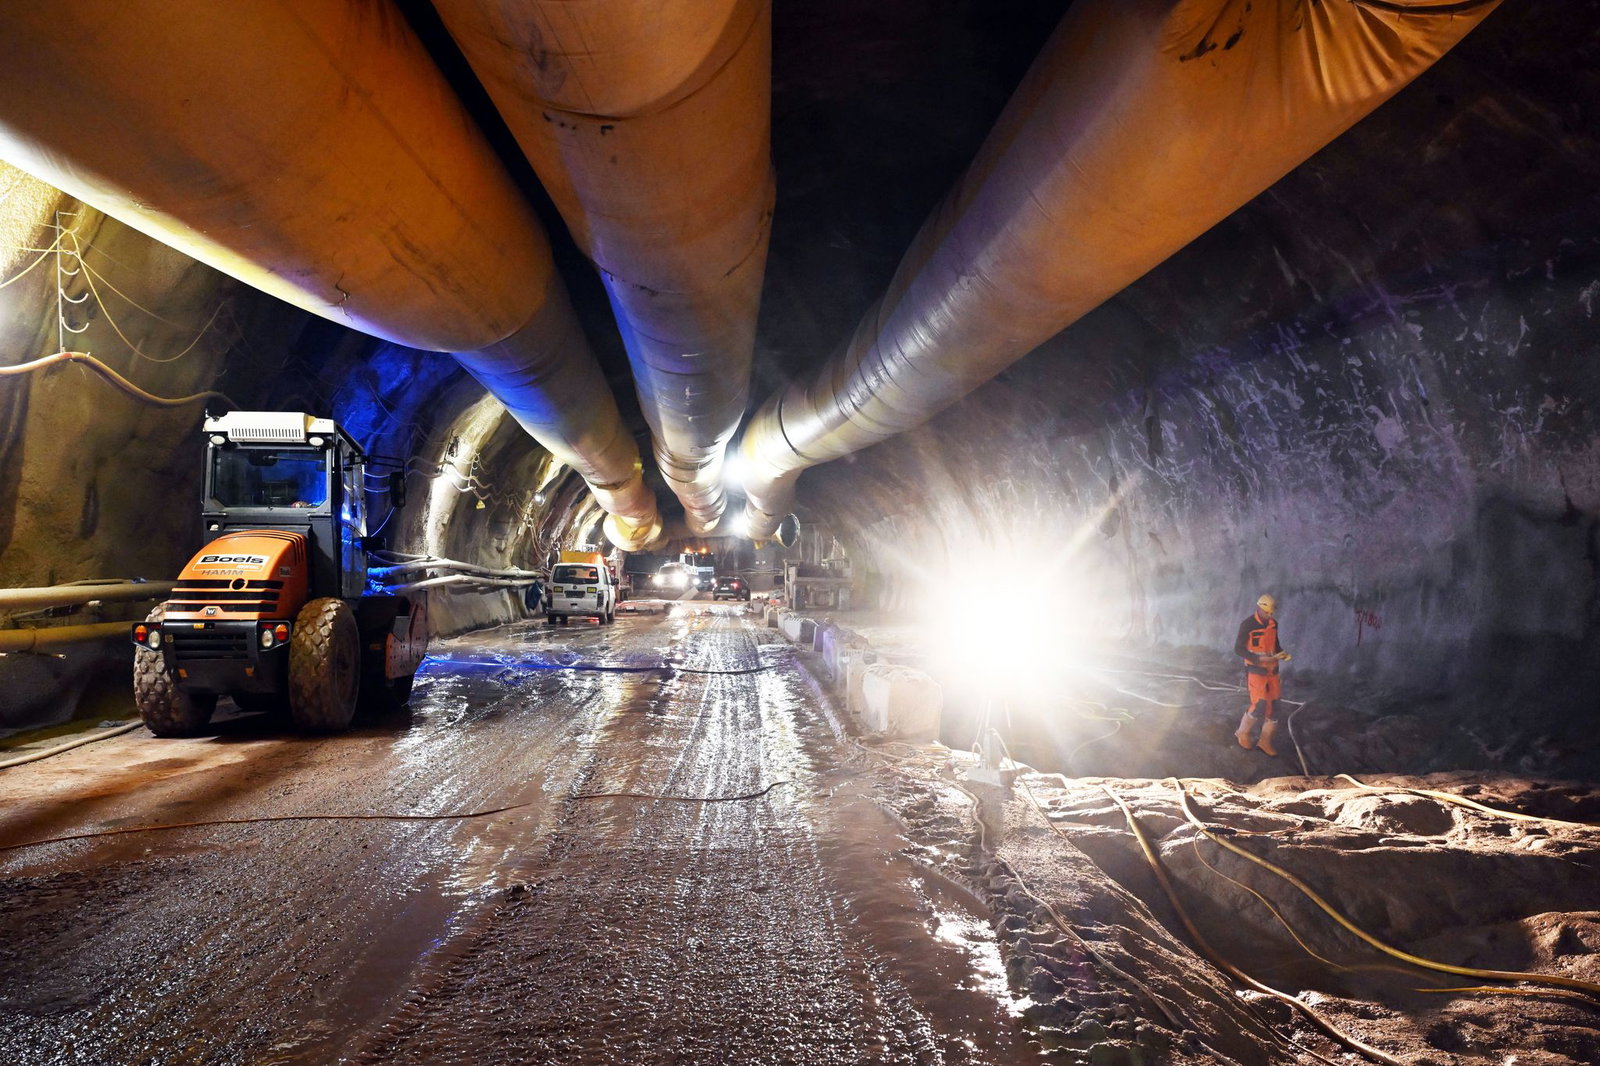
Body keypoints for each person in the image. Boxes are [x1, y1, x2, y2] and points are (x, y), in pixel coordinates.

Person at [1233, 593, 1291, 755]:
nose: (1269, 616)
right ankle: (1242, 732)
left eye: (1272, 613)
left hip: (1272, 671)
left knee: (1274, 707)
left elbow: (1275, 646)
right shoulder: (1248, 625)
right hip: (1256, 670)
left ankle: (1265, 741)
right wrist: (1257, 658)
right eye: (1267, 612)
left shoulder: (1273, 624)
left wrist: (1282, 654)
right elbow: (1238, 649)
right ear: (1259, 607)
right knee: (1259, 705)